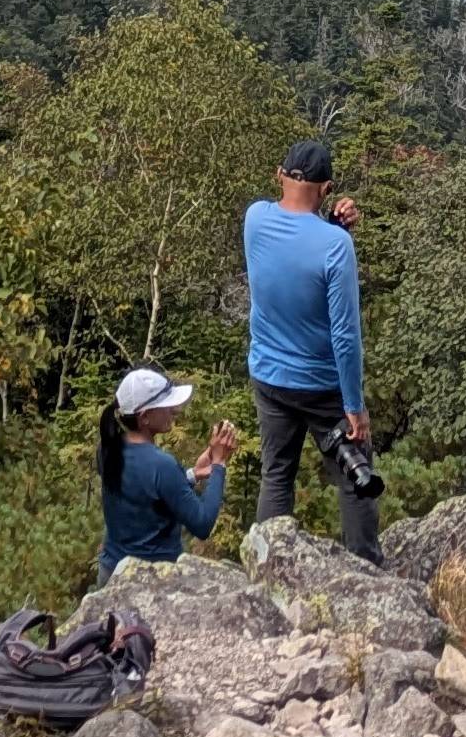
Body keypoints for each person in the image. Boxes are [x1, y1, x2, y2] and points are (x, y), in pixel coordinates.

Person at [243, 136, 379, 560]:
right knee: (354, 476)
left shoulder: (254, 219)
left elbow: (292, 246)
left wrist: (330, 224)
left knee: (276, 475)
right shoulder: (335, 246)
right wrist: (354, 407)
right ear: (327, 188)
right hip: (322, 387)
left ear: (279, 176)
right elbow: (345, 335)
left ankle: (266, 566)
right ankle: (366, 568)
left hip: (268, 377)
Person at [96, 364, 236, 575]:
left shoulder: (108, 450)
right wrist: (219, 464)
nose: (174, 410)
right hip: (150, 580)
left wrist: (193, 475)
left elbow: (145, 495)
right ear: (144, 417)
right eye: (166, 405)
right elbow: (202, 523)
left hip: (110, 572)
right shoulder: (161, 464)